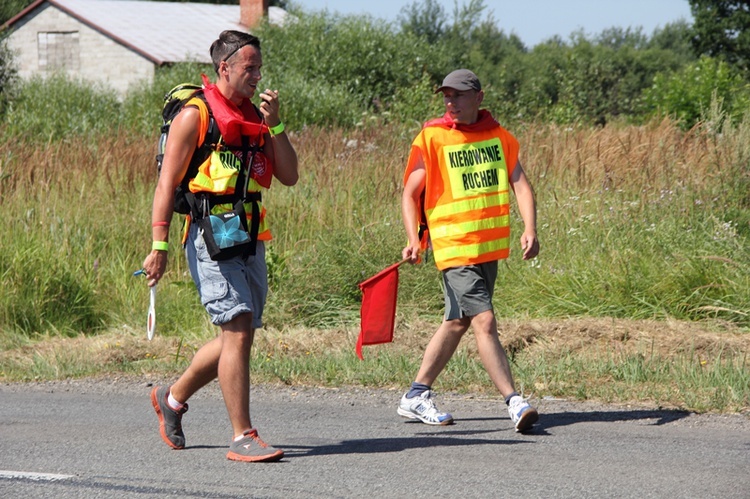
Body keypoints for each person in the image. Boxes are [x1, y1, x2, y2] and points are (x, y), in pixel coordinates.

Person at [142, 30, 298, 462]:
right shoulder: (194, 117)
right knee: (238, 326)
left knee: (240, 333)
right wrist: (160, 245)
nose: (257, 75)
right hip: (208, 238)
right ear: (224, 67)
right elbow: (165, 184)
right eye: (250, 68)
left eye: (259, 68)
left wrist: (276, 122)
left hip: (247, 235)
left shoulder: (254, 116)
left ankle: (171, 398)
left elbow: (289, 175)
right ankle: (242, 436)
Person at [398, 69, 540, 432]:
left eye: (459, 95)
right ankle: (514, 401)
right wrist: (414, 238)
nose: (451, 102)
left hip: (486, 249)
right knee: (484, 321)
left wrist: (530, 228)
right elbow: (410, 193)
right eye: (446, 95)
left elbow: (520, 184)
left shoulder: (500, 138)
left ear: (478, 97)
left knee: (457, 321)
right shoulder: (433, 136)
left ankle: (416, 395)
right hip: (453, 247)